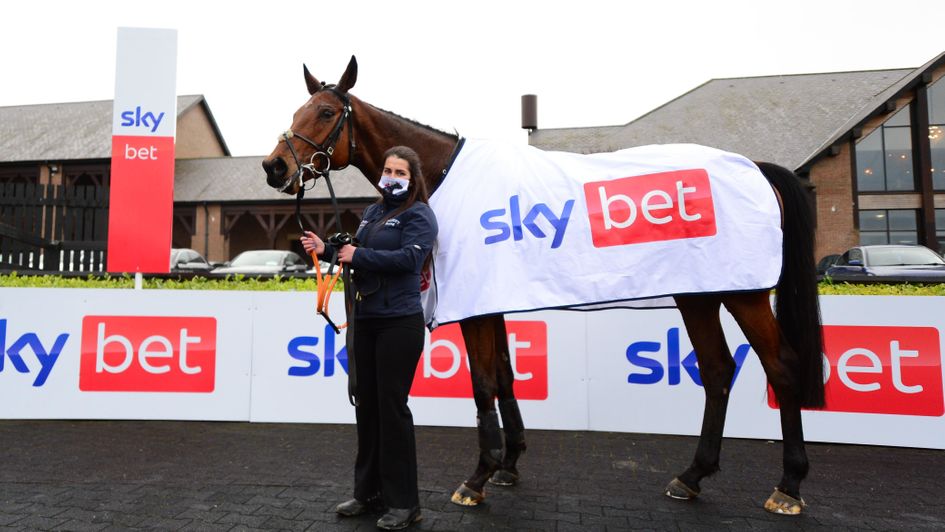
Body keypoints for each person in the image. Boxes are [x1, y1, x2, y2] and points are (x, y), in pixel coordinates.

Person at [301, 145, 437, 530]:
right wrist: (324, 248)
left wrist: (354, 256)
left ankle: (405, 503)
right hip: (367, 320)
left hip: (400, 323)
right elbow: (354, 252)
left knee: (392, 411)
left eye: (401, 173)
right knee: (367, 407)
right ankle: (368, 493)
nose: (392, 177)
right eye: (388, 170)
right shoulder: (373, 212)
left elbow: (409, 260)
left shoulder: (420, 215)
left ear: (413, 179)